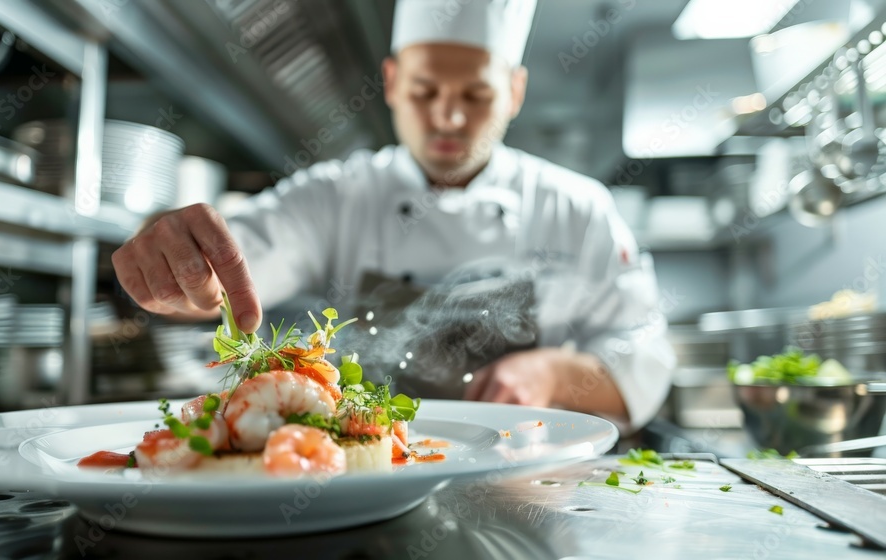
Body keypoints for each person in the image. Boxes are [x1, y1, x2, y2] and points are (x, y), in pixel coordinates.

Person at [112, 0, 675, 432]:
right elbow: (229, 270)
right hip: (370, 474)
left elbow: (643, 354)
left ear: (515, 91)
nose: (448, 117)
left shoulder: (576, 208)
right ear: (391, 82)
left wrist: (553, 373)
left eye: (475, 96)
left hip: (526, 483)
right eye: (425, 90)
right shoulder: (336, 196)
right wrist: (176, 258)